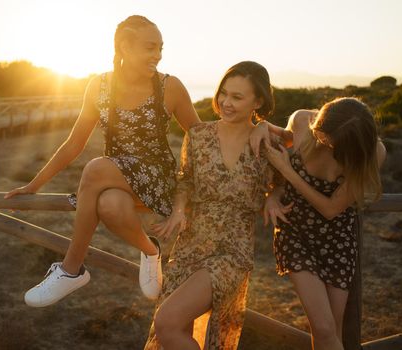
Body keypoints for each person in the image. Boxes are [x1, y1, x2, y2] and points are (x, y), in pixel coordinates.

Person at [4, 15, 200, 307]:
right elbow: (74, 143)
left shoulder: (169, 87)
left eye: (160, 48)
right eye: (150, 48)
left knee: (96, 168)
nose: (157, 55)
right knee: (109, 204)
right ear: (124, 47)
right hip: (116, 178)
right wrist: (34, 185)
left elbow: (201, 137)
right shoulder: (99, 86)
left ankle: (71, 270)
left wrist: (189, 192)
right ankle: (151, 251)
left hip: (159, 177)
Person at [144, 61, 278, 349]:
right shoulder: (199, 135)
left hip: (232, 251)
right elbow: (185, 180)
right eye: (223, 94)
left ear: (258, 101)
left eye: (237, 97)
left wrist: (276, 195)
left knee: (166, 321)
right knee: (174, 331)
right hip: (189, 244)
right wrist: (179, 210)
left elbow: (287, 172)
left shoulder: (266, 143)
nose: (226, 103)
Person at [251, 97, 386, 350]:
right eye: (322, 136)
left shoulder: (374, 152)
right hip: (296, 232)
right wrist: (261, 126)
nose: (324, 143)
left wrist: (288, 170)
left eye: (331, 142)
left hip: (337, 239)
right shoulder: (304, 120)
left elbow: (331, 209)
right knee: (324, 328)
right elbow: (278, 136)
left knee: (330, 330)